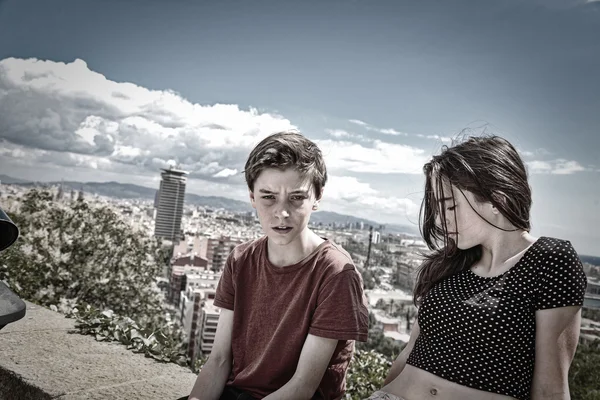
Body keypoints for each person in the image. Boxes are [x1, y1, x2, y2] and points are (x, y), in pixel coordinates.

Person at [367, 135, 587, 400]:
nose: (440, 219)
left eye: (449, 205)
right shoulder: (450, 264)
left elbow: (550, 387)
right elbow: (410, 352)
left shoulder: (550, 260)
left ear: (496, 199)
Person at [185, 131, 369, 400]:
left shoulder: (336, 273)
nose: (281, 213)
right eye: (268, 197)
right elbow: (219, 361)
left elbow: (302, 386)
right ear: (252, 198)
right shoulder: (240, 259)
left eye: (296, 198)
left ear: (317, 197)